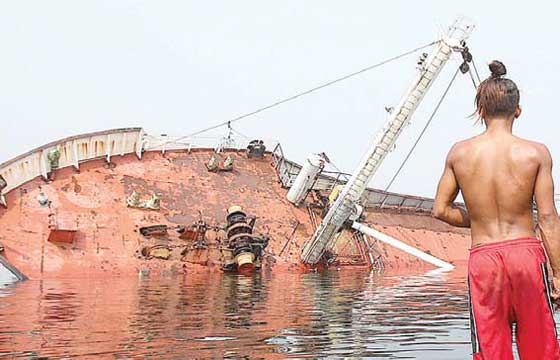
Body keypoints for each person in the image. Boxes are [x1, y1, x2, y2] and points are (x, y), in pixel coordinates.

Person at [433, 60, 560, 360]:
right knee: (541, 350)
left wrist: (479, 218)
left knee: (491, 352)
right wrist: (559, 274)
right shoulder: (536, 153)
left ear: (481, 111)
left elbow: (440, 210)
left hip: (484, 259)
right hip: (528, 257)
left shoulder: (459, 153)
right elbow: (547, 218)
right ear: (518, 110)